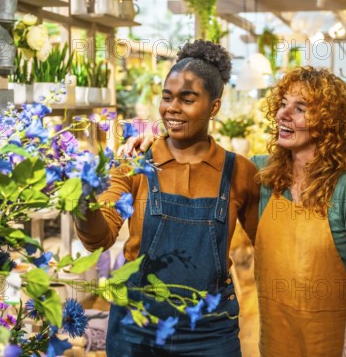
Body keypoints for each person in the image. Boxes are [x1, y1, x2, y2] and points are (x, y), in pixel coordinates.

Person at [75, 40, 260, 357]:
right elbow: (99, 240)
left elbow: (268, 246)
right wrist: (82, 201)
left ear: (214, 107)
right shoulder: (136, 161)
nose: (172, 108)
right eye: (167, 97)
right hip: (137, 326)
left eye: (187, 99)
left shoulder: (239, 172)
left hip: (210, 329)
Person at [251, 66, 346, 356]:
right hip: (275, 345)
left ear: (328, 122)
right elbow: (202, 159)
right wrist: (158, 145)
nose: (284, 114)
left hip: (334, 346)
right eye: (283, 104)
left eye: (300, 108)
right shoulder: (263, 174)